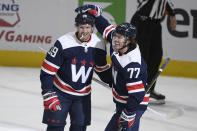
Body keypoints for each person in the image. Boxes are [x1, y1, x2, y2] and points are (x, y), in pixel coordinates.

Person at [75, 5, 149, 131]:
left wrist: (129, 114)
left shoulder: (132, 63)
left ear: (129, 41)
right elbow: (107, 29)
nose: (115, 39)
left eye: (119, 37)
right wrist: (98, 16)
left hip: (133, 106)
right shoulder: (119, 45)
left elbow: (137, 94)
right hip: (122, 104)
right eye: (115, 36)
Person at [40, 12, 111, 131]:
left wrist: (115, 82)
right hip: (60, 93)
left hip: (83, 97)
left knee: (79, 128)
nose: (84, 30)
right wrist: (48, 93)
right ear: (77, 27)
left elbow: (101, 69)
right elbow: (47, 70)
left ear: (93, 28)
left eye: (88, 27)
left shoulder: (99, 44)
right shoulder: (63, 42)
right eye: (81, 27)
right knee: (55, 127)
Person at [130, 0, 177, 104]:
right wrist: (172, 14)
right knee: (142, 57)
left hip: (155, 25)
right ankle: (136, 89)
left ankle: (149, 89)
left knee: (156, 57)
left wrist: (172, 15)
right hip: (142, 22)